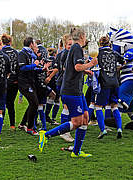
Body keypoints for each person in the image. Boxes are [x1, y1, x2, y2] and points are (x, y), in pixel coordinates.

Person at [39, 28, 98, 158]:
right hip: (71, 91)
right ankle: (47, 135)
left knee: (85, 118)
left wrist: (85, 70)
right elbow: (77, 67)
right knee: (77, 122)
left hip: (76, 90)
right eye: (85, 35)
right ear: (82, 36)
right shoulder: (76, 48)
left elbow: (73, 68)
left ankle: (76, 152)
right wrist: (91, 64)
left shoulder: (75, 49)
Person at [17, 37, 49, 135]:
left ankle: (22, 124)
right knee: (34, 103)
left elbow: (32, 69)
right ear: (31, 44)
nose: (36, 45)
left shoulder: (31, 54)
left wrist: (42, 69)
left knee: (33, 103)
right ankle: (30, 128)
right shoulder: (22, 54)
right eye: (34, 43)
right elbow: (22, 68)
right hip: (24, 83)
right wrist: (34, 65)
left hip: (31, 82)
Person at [94, 36, 124, 139]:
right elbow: (123, 61)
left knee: (98, 106)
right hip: (115, 82)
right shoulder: (114, 53)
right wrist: (117, 68)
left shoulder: (98, 53)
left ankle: (102, 130)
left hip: (104, 83)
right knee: (114, 106)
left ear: (100, 44)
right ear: (109, 44)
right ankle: (119, 128)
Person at [1, 33, 19, 130]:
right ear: (10, 42)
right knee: (11, 103)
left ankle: (1, 122)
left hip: (2, 81)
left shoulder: (0, 52)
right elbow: (18, 67)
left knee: (1, 102)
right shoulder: (16, 52)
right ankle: (12, 125)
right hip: (14, 81)